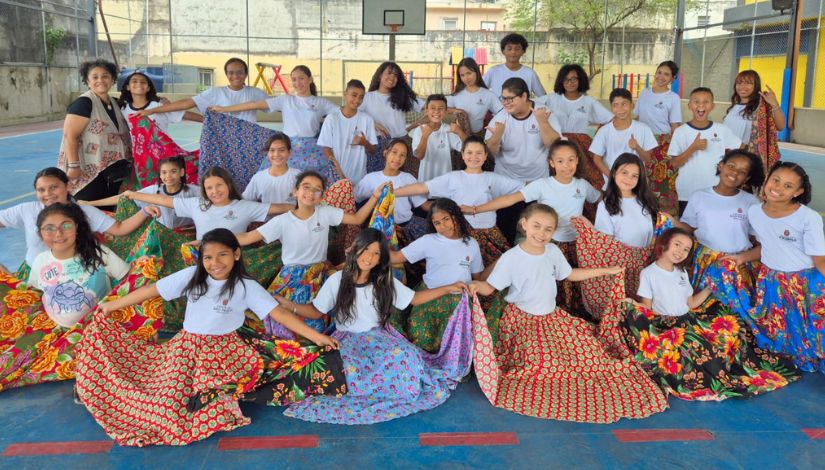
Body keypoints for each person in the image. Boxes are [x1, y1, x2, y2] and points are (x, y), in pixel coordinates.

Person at [75, 228, 341, 446]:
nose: (215, 263)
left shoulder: (247, 285)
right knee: (167, 405)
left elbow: (279, 314)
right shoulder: (192, 276)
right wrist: (112, 305)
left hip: (224, 351)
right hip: (186, 348)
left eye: (222, 255)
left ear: (236, 254)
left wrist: (315, 337)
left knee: (208, 405)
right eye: (208, 257)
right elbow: (152, 290)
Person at [468, 203, 667, 423]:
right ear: (524, 225)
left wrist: (605, 271)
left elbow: (570, 275)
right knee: (543, 367)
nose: (541, 233)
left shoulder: (552, 251)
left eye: (548, 229)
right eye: (537, 226)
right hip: (524, 323)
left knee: (593, 355)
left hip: (553, 319)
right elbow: (490, 288)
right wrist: (476, 286)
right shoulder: (511, 258)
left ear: (553, 232)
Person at [281, 228, 473, 425]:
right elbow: (315, 311)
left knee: (406, 355)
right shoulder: (337, 279)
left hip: (380, 337)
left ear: (381, 259)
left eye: (376, 253)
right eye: (365, 250)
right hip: (347, 339)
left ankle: (388, 388)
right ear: (355, 250)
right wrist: (290, 306)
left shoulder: (383, 280)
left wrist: (447, 288)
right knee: (345, 366)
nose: (369, 257)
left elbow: (413, 299)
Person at [622, 227, 800, 401]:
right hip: (667, 325)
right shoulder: (648, 273)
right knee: (698, 349)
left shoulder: (681, 272)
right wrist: (632, 304)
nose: (681, 252)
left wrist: (710, 287)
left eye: (686, 249)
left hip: (689, 320)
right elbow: (647, 308)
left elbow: (691, 303)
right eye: (677, 245)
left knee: (731, 326)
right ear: (664, 244)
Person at [235, 171, 388, 337]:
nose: (310, 193)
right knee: (273, 320)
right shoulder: (282, 221)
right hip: (292, 277)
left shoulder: (325, 212)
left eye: (317, 190)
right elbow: (247, 237)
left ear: (321, 196)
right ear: (295, 191)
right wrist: (209, 239)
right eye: (306, 187)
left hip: (320, 275)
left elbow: (357, 218)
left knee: (321, 322)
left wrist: (375, 196)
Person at [707, 162, 825, 373]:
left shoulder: (808, 218)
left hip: (804, 284)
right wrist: (741, 258)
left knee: (813, 330)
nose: (778, 188)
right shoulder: (755, 212)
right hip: (771, 281)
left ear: (798, 192)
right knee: (782, 330)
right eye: (776, 180)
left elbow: (820, 261)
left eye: (788, 186)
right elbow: (767, 246)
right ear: (767, 178)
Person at [0, 202, 132, 391]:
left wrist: (143, 268)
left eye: (66, 225)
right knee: (15, 365)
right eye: (49, 228)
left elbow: (130, 280)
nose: (59, 233)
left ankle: (88, 379)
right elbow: (33, 295)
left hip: (94, 332)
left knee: (108, 366)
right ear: (40, 234)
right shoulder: (41, 261)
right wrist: (7, 280)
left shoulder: (99, 253)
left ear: (77, 227)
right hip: (56, 335)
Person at [469, 140, 600, 314]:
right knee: (533, 275)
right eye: (560, 161)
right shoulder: (542, 185)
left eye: (571, 160)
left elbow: (601, 200)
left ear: (577, 161)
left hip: (574, 245)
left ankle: (561, 315)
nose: (566, 165)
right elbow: (510, 199)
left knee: (570, 283)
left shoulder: (582, 186)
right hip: (544, 241)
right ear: (551, 163)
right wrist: (476, 209)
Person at [0, 168, 157, 279]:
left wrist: (144, 212)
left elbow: (120, 228)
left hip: (74, 278)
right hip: (33, 277)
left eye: (54, 187)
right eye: (41, 190)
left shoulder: (85, 212)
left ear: (68, 186)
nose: (47, 194)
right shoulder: (26, 210)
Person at [395, 135, 522, 265]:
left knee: (501, 268)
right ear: (462, 155)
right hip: (459, 234)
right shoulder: (453, 177)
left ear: (485, 156)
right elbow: (423, 187)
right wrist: (393, 192)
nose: (474, 157)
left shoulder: (493, 178)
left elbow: (524, 189)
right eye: (469, 152)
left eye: (479, 153)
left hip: (488, 233)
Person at [389, 199, 484, 352]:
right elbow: (396, 257)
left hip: (458, 300)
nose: (443, 225)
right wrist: (369, 248)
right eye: (437, 223)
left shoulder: (471, 243)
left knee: (453, 343)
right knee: (420, 337)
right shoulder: (429, 241)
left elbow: (478, 277)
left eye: (446, 219)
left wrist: (500, 263)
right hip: (429, 295)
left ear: (457, 216)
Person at [209, 65, 339, 178]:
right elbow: (254, 104)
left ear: (310, 79)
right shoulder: (286, 100)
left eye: (301, 78)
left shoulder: (321, 103)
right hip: (287, 147)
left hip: (312, 150)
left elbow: (343, 113)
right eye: (294, 79)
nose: (297, 83)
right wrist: (225, 109)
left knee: (320, 177)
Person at [485, 77, 561, 243]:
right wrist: (497, 136)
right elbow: (489, 154)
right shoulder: (500, 118)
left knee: (537, 229)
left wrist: (542, 122)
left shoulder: (543, 113)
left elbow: (554, 146)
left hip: (537, 181)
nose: (505, 103)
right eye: (503, 98)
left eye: (510, 98)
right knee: (506, 228)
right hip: (507, 181)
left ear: (525, 96)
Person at [123, 166, 289, 240]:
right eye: (209, 188)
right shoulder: (197, 204)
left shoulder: (244, 206)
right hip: (200, 257)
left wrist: (308, 206)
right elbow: (164, 200)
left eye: (219, 185)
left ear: (228, 185)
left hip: (231, 258)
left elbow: (279, 208)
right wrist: (133, 194)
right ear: (204, 190)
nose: (215, 191)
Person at [681, 149, 765, 288]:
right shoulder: (699, 196)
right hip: (705, 263)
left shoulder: (751, 202)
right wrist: (668, 221)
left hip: (737, 265)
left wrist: (742, 258)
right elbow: (688, 227)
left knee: (731, 308)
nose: (735, 173)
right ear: (721, 166)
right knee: (703, 304)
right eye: (731, 166)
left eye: (742, 172)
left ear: (747, 178)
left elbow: (763, 242)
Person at [58, 59, 132, 201]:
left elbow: (140, 102)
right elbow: (69, 136)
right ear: (87, 80)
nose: (100, 80)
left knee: (109, 212)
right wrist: (74, 166)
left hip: (111, 171)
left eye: (105, 76)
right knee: (90, 212)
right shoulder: (83, 103)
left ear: (112, 79)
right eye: (95, 77)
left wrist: (159, 99)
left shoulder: (116, 103)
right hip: (87, 171)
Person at [669, 87, 742, 216]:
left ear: (712, 106)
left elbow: (739, 150)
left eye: (706, 101)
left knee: (712, 229)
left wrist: (727, 163)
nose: (701, 105)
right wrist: (693, 148)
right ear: (690, 105)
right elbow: (674, 164)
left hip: (715, 191)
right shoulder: (680, 132)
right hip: (687, 192)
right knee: (688, 231)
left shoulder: (722, 130)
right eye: (696, 101)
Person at [80, 156, 200, 229]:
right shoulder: (153, 190)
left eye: (173, 171)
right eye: (164, 172)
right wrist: (90, 203)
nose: (168, 176)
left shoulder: (194, 191)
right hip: (162, 234)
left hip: (187, 232)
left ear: (182, 172)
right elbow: (123, 197)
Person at [137, 57, 267, 124]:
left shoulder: (255, 93)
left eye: (240, 72)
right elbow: (186, 103)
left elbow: (279, 104)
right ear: (226, 74)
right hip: (221, 141)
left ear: (246, 74)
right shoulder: (216, 92)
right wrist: (152, 110)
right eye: (231, 73)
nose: (235, 76)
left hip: (247, 140)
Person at [355, 138, 428, 245]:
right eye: (394, 152)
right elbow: (355, 200)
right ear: (385, 153)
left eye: (402, 155)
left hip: (406, 226)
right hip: (379, 229)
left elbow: (424, 205)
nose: (398, 158)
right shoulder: (370, 179)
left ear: (405, 159)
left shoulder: (409, 179)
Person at [360, 61, 425, 173]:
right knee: (379, 180)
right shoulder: (367, 97)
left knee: (407, 179)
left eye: (396, 75)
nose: (392, 77)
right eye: (389, 73)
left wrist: (450, 108)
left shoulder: (403, 97)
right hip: (378, 144)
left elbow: (429, 107)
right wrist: (373, 123)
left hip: (402, 142)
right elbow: (354, 116)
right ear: (380, 75)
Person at [635, 60, 682, 214]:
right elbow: (636, 117)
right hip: (642, 142)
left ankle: (665, 220)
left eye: (666, 74)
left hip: (662, 144)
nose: (661, 76)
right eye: (659, 72)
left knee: (663, 185)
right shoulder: (644, 93)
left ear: (673, 78)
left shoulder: (673, 98)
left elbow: (675, 126)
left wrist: (675, 150)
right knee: (641, 180)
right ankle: (645, 216)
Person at [590, 88, 657, 189]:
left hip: (636, 184)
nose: (620, 109)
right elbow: (597, 159)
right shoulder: (604, 131)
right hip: (612, 184)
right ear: (611, 108)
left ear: (632, 105)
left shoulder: (644, 129)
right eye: (615, 105)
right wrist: (613, 177)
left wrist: (637, 148)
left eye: (624, 104)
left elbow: (648, 158)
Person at [724, 70, 786, 171]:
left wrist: (775, 105)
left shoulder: (762, 107)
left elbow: (781, 126)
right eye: (739, 83)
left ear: (756, 86)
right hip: (729, 156)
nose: (742, 86)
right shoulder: (734, 107)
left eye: (748, 83)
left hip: (749, 159)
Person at [317, 79, 378, 182]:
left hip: (359, 176)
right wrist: (337, 171)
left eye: (361, 97)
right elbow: (327, 148)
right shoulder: (332, 118)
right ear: (345, 94)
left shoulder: (367, 119)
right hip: (337, 175)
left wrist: (365, 143)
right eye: (354, 95)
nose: (357, 100)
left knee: (356, 198)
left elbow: (373, 150)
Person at [118, 70, 202, 131]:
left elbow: (184, 114)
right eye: (134, 81)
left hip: (163, 154)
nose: (139, 83)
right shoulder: (123, 110)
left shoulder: (159, 105)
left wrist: (209, 120)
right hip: (138, 155)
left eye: (143, 82)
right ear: (128, 87)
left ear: (148, 88)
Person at [411, 94, 466, 181]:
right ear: (426, 110)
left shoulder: (448, 129)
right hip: (425, 181)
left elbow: (466, 148)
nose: (436, 111)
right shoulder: (420, 130)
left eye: (441, 108)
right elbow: (419, 156)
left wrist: (460, 132)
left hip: (445, 181)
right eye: (432, 108)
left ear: (446, 111)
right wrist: (425, 136)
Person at [242, 133, 301, 207]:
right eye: (272, 150)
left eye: (282, 150)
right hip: (266, 219)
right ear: (267, 153)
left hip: (293, 218)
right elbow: (245, 202)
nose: (276, 154)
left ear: (289, 153)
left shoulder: (298, 175)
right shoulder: (258, 177)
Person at [447, 57, 502, 135]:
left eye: (469, 73)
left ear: (476, 72)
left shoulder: (488, 95)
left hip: (478, 136)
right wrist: (457, 111)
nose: (466, 78)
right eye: (462, 75)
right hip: (458, 135)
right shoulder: (456, 94)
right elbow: (444, 108)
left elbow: (501, 113)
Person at [483, 33, 546, 97]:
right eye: (509, 49)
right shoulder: (493, 71)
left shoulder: (530, 73)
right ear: (503, 51)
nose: (513, 52)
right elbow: (479, 91)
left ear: (523, 51)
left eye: (517, 49)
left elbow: (543, 97)